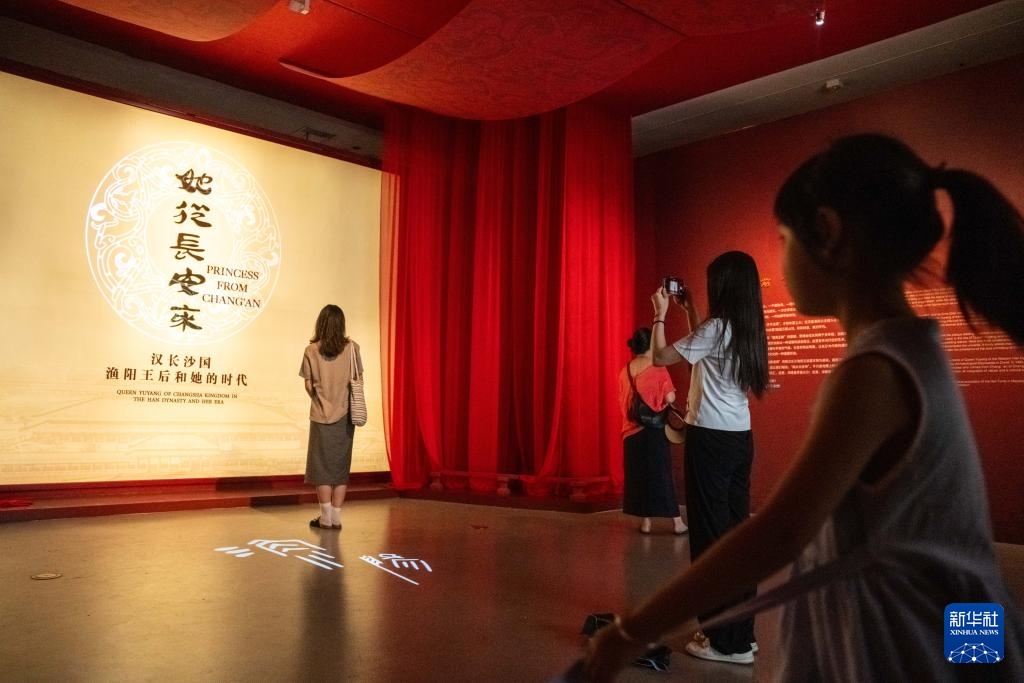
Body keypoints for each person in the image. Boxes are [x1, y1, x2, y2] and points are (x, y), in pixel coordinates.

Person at [582, 134, 1024, 681]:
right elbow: (962, 559)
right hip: (934, 627)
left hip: (908, 641)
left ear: (827, 233)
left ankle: (725, 639)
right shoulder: (913, 351)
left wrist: (630, 633)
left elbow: (779, 535)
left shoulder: (874, 372)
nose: (782, 258)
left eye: (784, 239)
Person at [649, 251, 769, 664]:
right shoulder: (748, 329)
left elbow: (661, 357)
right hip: (740, 438)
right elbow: (704, 349)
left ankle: (723, 642)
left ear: (725, 285)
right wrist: (691, 310)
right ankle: (741, 634)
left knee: (710, 539)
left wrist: (660, 315)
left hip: (710, 440)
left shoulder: (718, 328)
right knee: (736, 536)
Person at [618, 327, 687, 535]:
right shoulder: (657, 367)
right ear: (651, 346)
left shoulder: (625, 370)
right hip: (653, 431)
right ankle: (677, 522)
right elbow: (670, 398)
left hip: (630, 433)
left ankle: (646, 523)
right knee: (662, 476)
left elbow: (622, 401)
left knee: (640, 477)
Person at [299, 304, 363, 530]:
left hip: (320, 415)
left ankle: (325, 517)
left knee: (322, 468)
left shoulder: (311, 350)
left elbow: (308, 386)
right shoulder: (353, 348)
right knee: (340, 468)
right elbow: (357, 379)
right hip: (345, 416)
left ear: (321, 323)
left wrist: (320, 398)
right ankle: (336, 517)